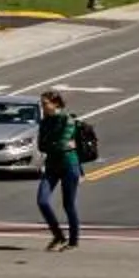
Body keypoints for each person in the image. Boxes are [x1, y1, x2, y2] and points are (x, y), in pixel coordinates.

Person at [35, 89, 83, 251]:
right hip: (52, 166)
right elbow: (42, 146)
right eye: (41, 104)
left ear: (55, 103)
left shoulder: (67, 120)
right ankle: (58, 235)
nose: (42, 107)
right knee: (42, 201)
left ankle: (73, 241)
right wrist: (57, 145)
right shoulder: (44, 122)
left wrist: (56, 145)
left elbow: (62, 143)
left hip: (69, 165)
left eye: (45, 104)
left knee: (68, 205)